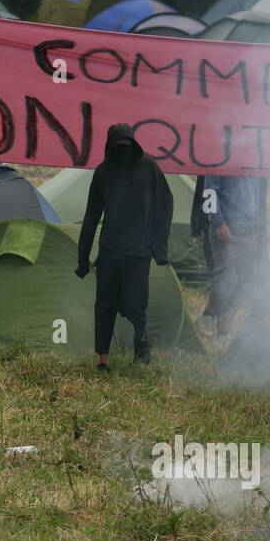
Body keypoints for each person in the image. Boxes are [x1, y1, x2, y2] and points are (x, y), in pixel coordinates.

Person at [76, 123, 173, 368]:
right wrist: (82, 259)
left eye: (126, 147)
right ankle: (103, 360)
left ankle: (142, 346)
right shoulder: (103, 173)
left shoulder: (149, 168)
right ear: (109, 147)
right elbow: (91, 217)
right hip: (110, 251)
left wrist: (159, 247)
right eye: (118, 148)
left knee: (136, 303)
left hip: (139, 251)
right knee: (105, 305)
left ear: (134, 145)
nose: (123, 153)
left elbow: (166, 205)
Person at [201, 174, 268, 336]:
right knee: (225, 277)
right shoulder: (220, 160)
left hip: (249, 230)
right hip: (226, 228)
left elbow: (259, 200)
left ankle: (224, 327)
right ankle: (208, 315)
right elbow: (209, 192)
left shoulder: (256, 166)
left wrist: (259, 229)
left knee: (245, 280)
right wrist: (219, 222)